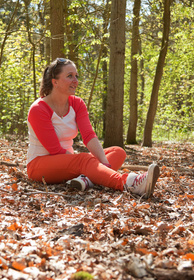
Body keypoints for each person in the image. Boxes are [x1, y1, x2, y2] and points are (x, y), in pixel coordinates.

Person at [26, 58, 160, 197]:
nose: (75, 80)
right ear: (55, 82)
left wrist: (103, 165)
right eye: (69, 76)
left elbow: (89, 136)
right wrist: (84, 164)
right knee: (84, 160)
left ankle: (85, 180)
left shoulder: (77, 103)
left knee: (118, 152)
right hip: (39, 166)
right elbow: (55, 150)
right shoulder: (39, 109)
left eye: (76, 76)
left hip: (68, 162)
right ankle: (128, 183)